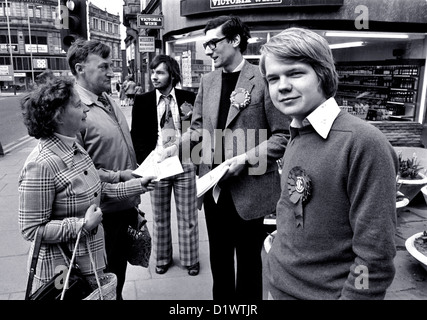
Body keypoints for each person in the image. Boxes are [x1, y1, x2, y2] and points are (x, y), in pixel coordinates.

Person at [259, 27, 398, 300]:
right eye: (272, 78)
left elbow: (375, 254)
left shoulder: (363, 143)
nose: (282, 86)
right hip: (277, 287)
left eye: (295, 73)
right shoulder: (296, 134)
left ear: (322, 74)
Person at [173, 16, 289, 300]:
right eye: (206, 44)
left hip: (250, 193)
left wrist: (246, 159)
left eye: (213, 42)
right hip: (214, 191)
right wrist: (175, 146)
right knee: (219, 263)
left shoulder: (262, 80)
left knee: (250, 266)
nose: (208, 50)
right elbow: (198, 129)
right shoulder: (208, 81)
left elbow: (283, 137)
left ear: (235, 40)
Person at [18, 77, 156, 295]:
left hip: (91, 261)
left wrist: (139, 185)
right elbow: (31, 229)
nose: (84, 108)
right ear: (58, 116)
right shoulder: (41, 164)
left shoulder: (76, 148)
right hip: (63, 275)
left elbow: (98, 191)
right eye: (76, 104)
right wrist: (82, 225)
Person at [67, 39, 142, 300]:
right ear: (80, 69)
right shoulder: (72, 112)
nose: (111, 72)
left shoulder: (107, 99)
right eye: (104, 67)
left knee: (117, 280)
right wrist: (122, 177)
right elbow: (77, 172)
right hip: (101, 216)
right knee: (103, 287)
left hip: (123, 206)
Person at [131, 54, 199, 276]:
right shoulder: (142, 101)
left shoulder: (189, 97)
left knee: (188, 217)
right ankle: (162, 259)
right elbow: (137, 136)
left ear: (172, 74)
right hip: (158, 167)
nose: (154, 77)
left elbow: (197, 131)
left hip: (185, 164)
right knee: (160, 218)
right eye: (153, 72)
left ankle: (190, 260)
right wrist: (147, 162)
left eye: (159, 72)